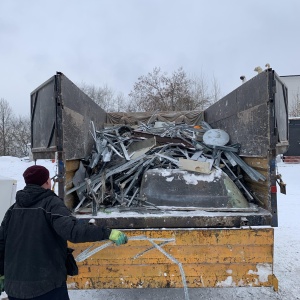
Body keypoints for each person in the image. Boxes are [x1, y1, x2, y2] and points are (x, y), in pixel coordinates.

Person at [0, 165, 128, 300]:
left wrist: (1, 273)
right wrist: (107, 233)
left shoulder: (13, 209)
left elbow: (1, 243)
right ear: (47, 182)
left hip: (14, 289)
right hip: (47, 287)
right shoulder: (51, 204)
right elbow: (73, 231)